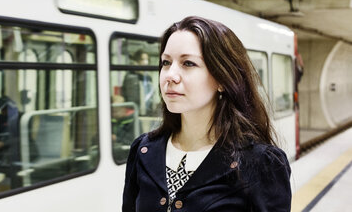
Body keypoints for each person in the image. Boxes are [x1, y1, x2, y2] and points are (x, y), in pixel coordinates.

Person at [122, 16, 291, 211]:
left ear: (222, 79)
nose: (170, 75)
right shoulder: (144, 151)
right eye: (166, 62)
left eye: (188, 64)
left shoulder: (261, 163)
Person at [122, 49, 155, 116]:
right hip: (137, 113)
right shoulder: (131, 76)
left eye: (147, 59)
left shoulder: (148, 76)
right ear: (137, 61)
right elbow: (131, 97)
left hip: (148, 111)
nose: (146, 62)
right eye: (142, 59)